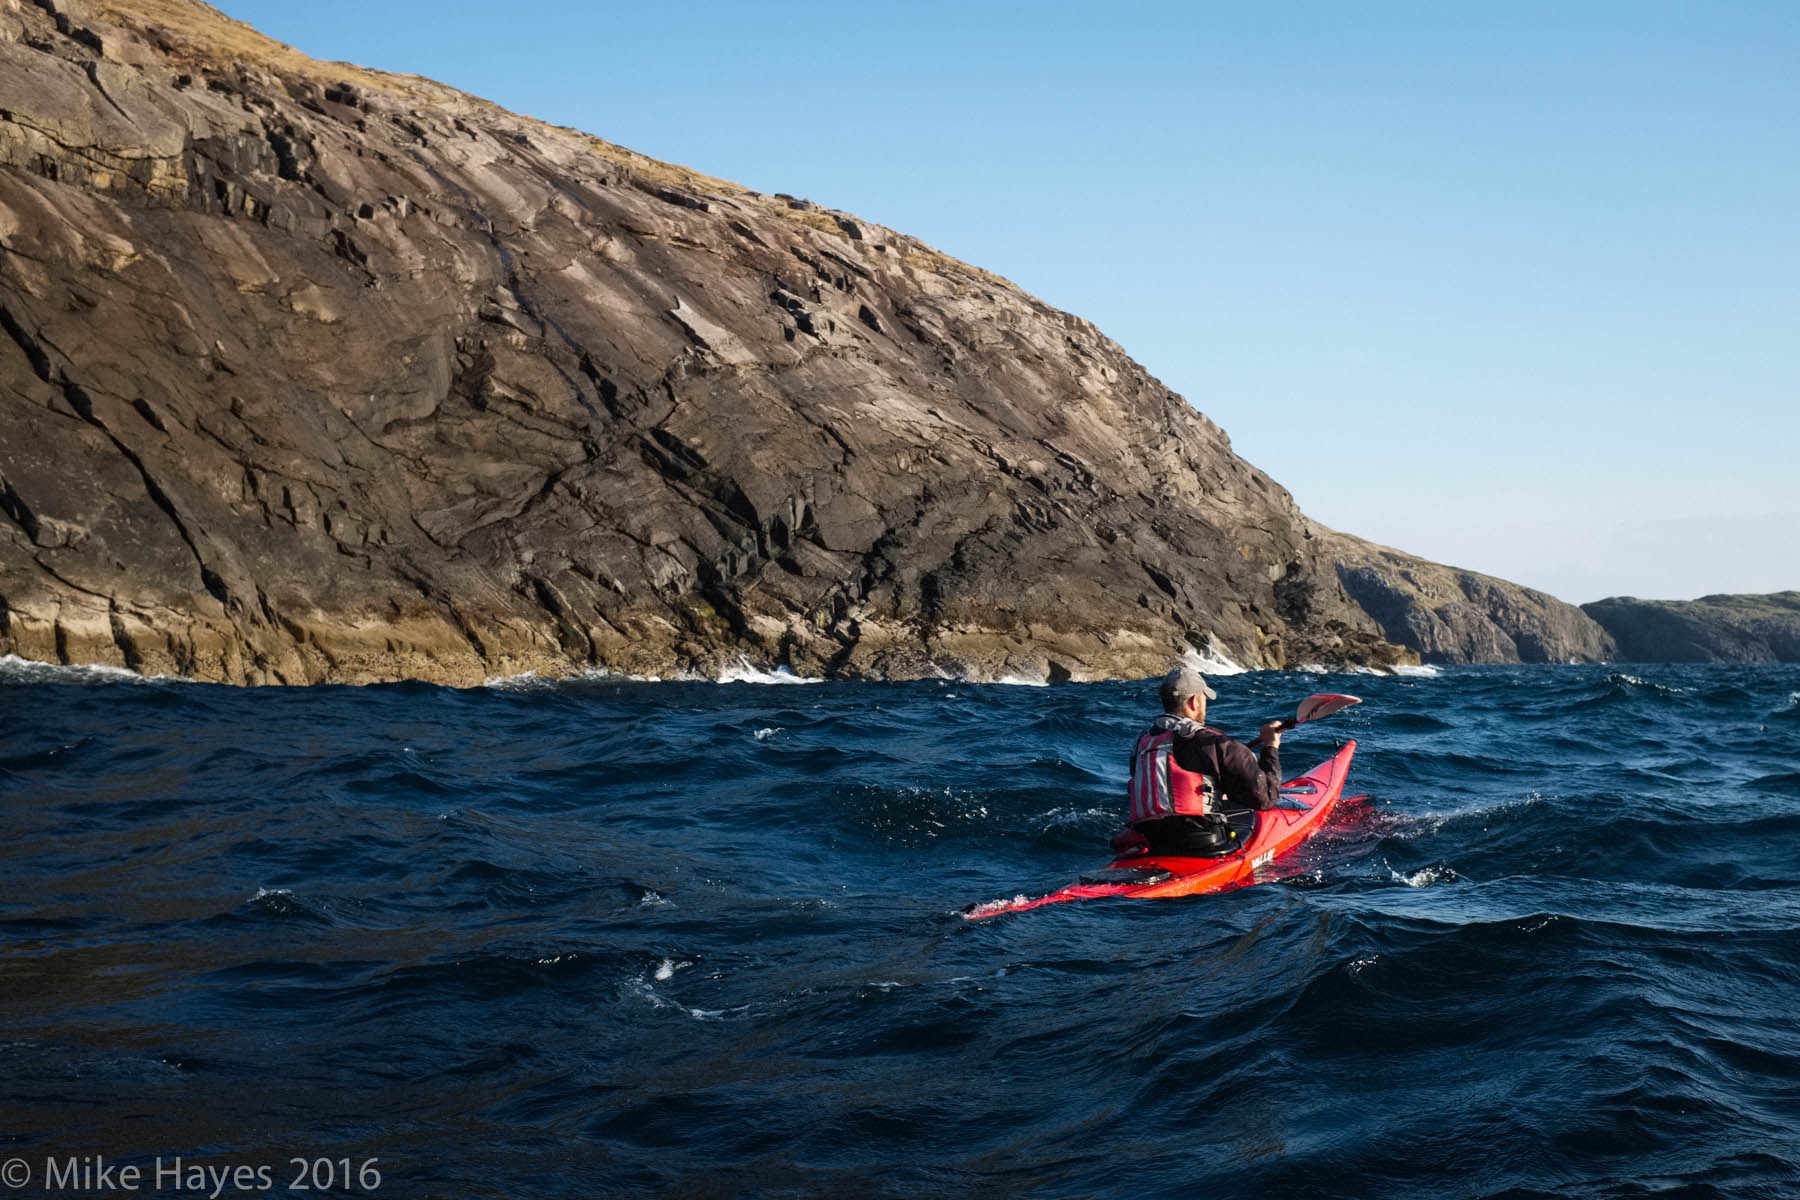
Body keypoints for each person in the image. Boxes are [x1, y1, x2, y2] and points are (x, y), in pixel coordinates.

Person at [1124, 665, 1286, 856]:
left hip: (1153, 842)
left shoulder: (1141, 743)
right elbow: (1265, 799)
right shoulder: (1214, 742)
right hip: (1203, 845)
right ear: (1194, 701)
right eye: (1204, 699)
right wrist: (1270, 748)